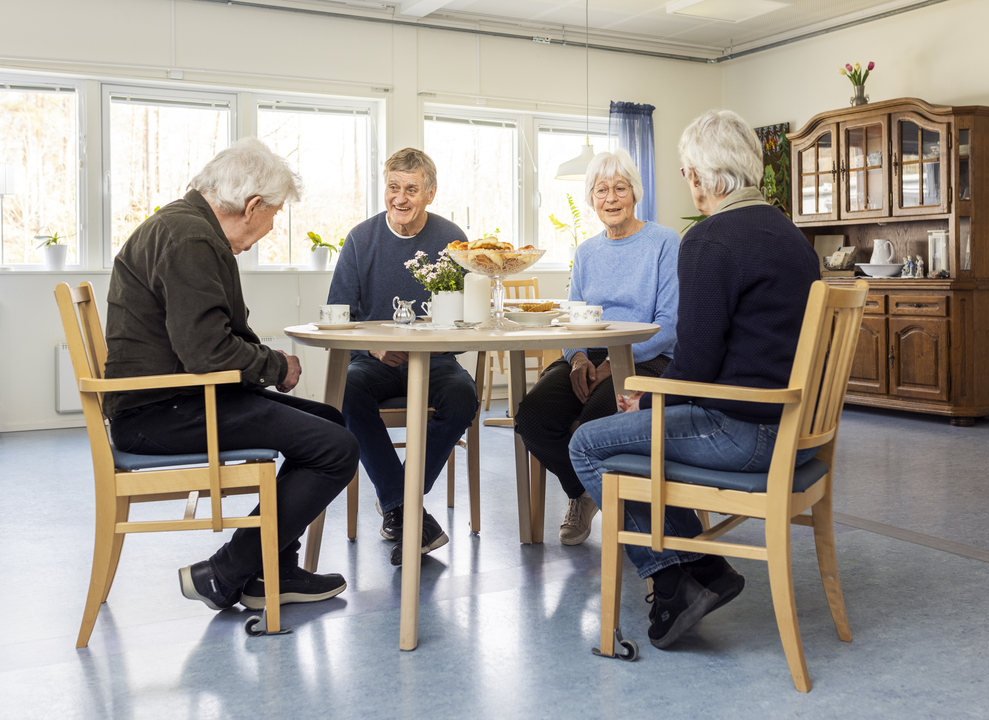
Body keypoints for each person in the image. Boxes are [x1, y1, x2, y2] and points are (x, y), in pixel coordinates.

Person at [569, 110, 822, 649]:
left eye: (688, 172)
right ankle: (705, 569)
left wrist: (647, 395)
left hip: (744, 434)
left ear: (701, 178)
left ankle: (671, 579)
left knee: (588, 444)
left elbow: (695, 363)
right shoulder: (792, 236)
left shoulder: (710, 240)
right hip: (795, 435)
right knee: (636, 438)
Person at [104, 137, 359, 613]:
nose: (270, 226)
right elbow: (209, 353)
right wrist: (277, 365)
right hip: (163, 410)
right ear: (253, 205)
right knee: (335, 448)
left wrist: (265, 361)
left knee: (330, 421)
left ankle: (272, 573)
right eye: (275, 215)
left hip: (174, 399)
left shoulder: (183, 225)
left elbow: (208, 339)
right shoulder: (190, 238)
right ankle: (224, 574)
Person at [514, 149, 679, 546]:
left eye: (619, 188)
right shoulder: (587, 252)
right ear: (591, 198)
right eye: (601, 190)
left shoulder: (664, 242)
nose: (610, 199)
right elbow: (573, 316)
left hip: (647, 355)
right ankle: (582, 492)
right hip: (590, 355)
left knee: (593, 421)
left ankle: (619, 508)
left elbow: (671, 325)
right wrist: (579, 359)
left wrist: (616, 365)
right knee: (532, 417)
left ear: (635, 193)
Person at [329, 148, 478, 566]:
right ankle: (404, 508)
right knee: (347, 392)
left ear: (429, 193)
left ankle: (399, 504)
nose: (400, 197)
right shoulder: (361, 239)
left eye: (411, 189)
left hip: (435, 362)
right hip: (374, 362)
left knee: (463, 396)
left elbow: (468, 320)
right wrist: (373, 346)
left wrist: (437, 343)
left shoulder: (452, 239)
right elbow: (338, 313)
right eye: (393, 187)